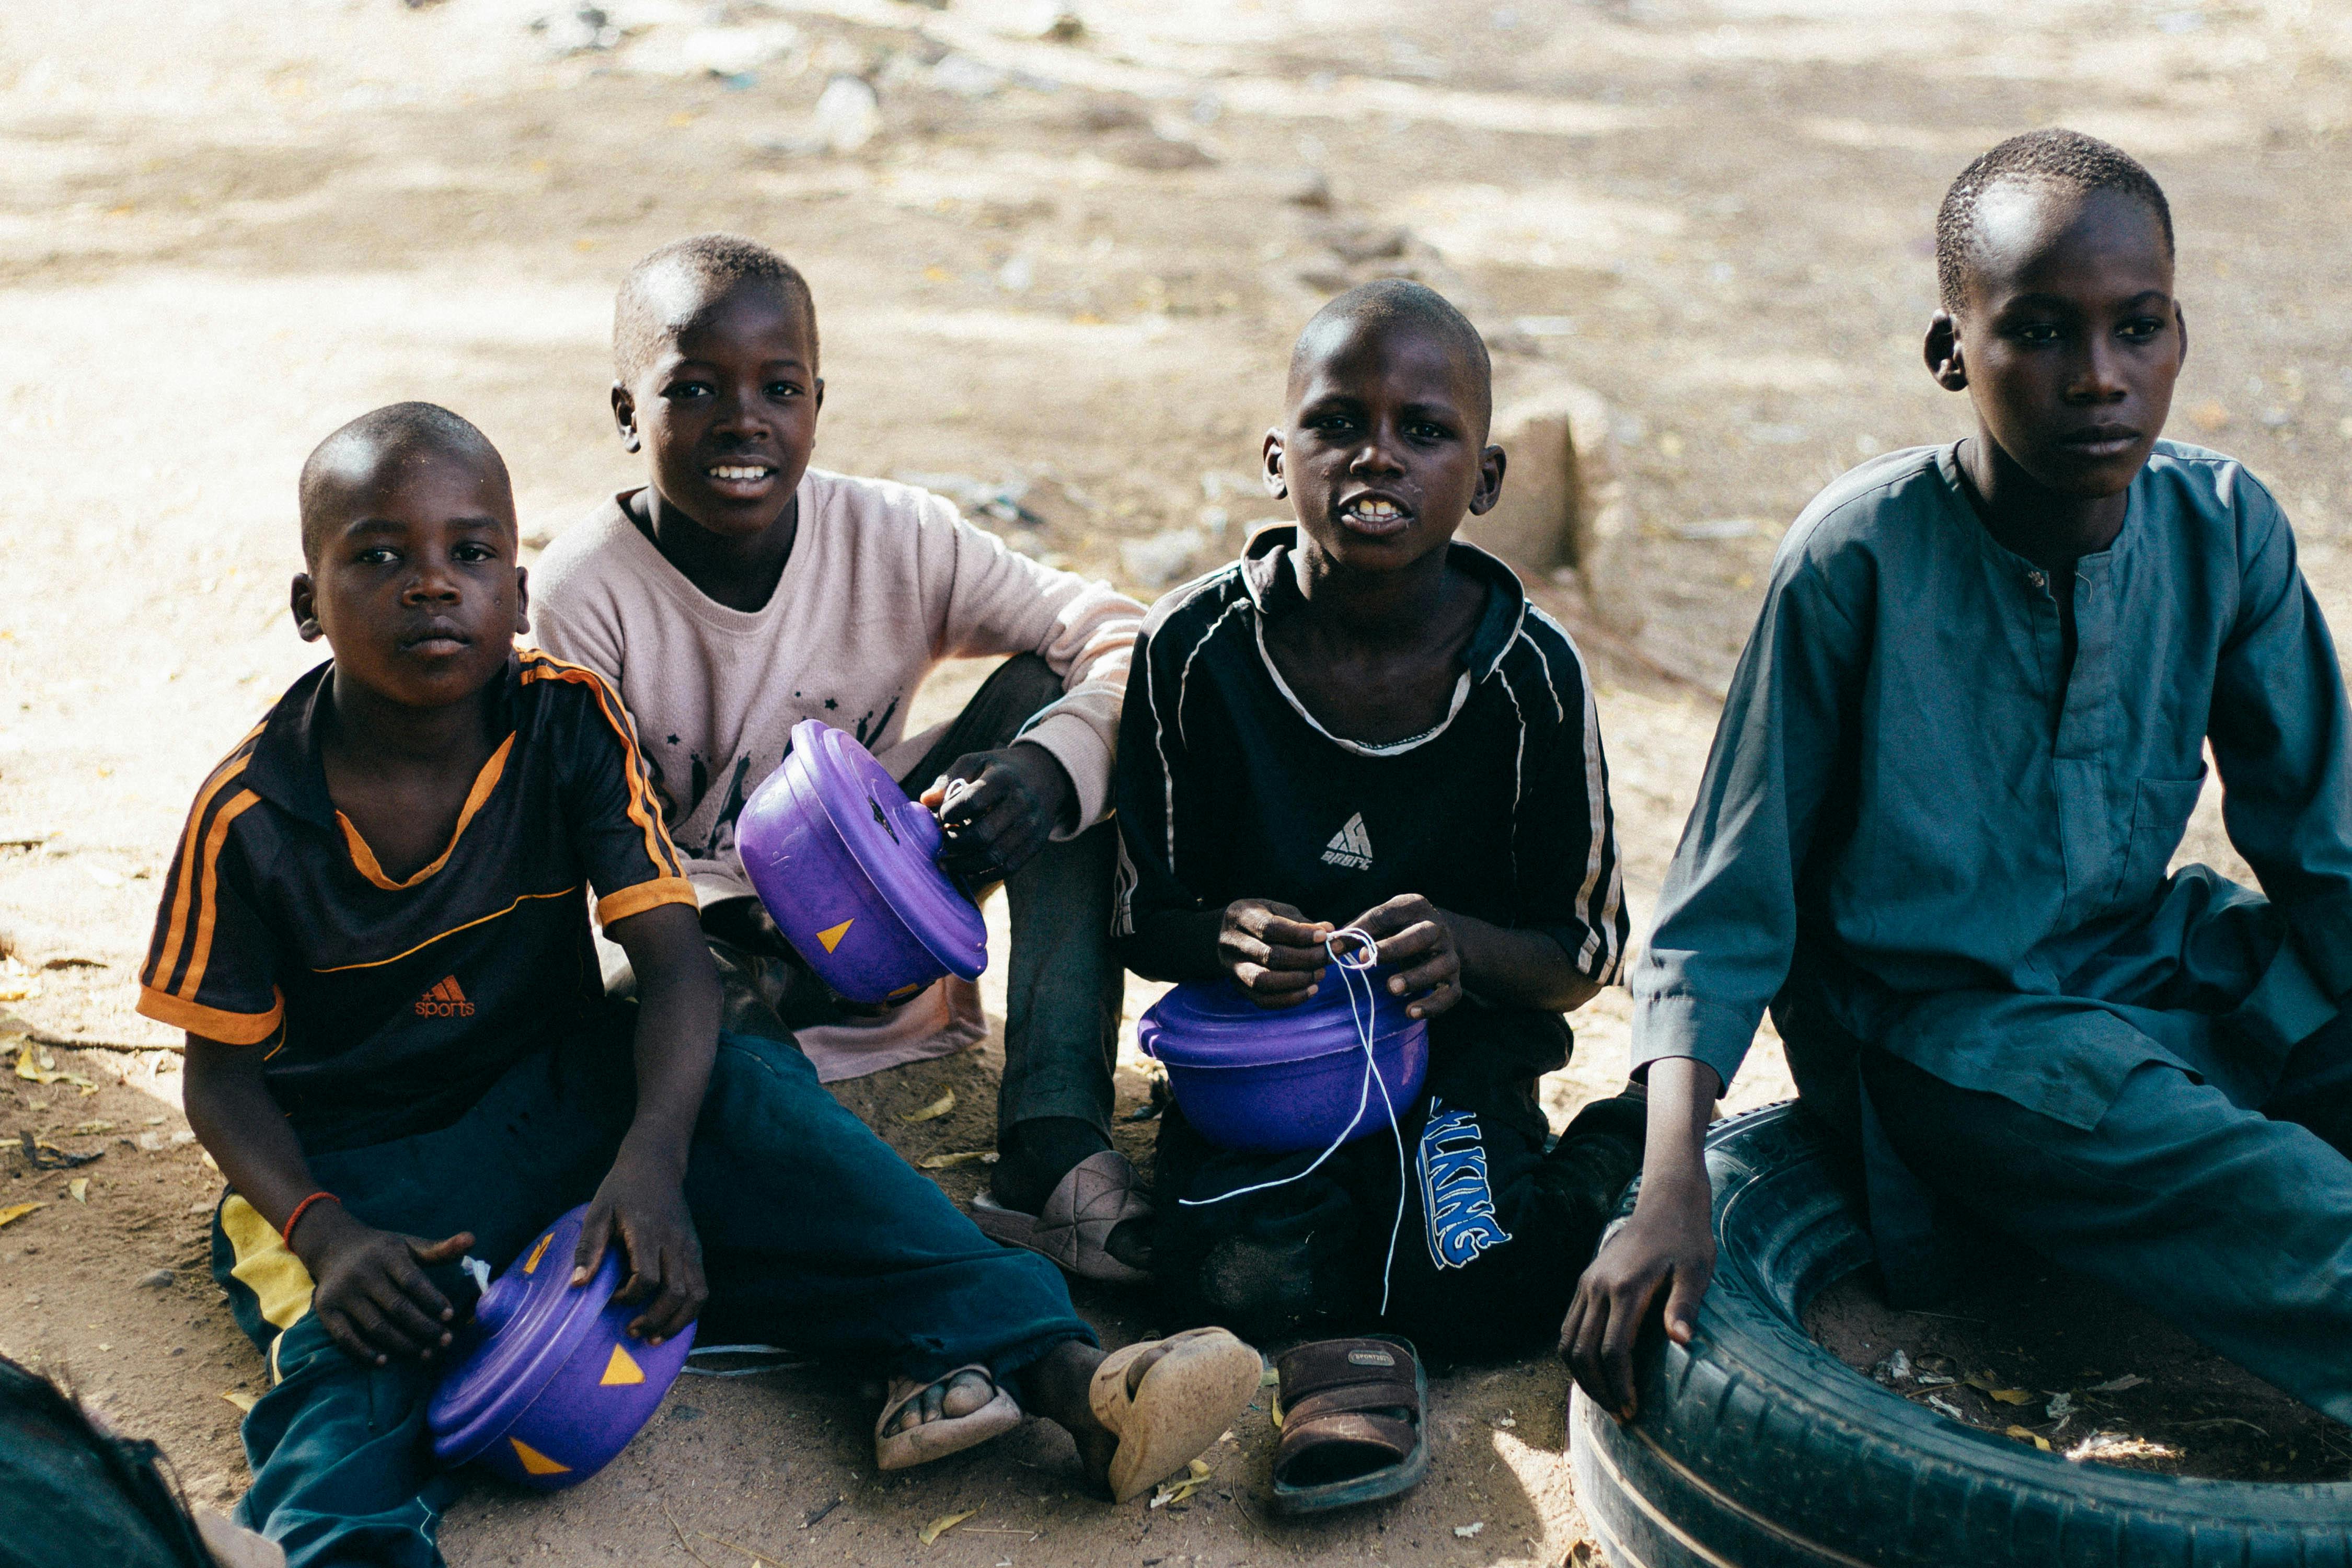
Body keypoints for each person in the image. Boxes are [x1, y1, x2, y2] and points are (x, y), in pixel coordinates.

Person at [136, 404, 1259, 1568]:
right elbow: (219, 1082)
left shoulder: (563, 717)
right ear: (308, 604)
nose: (431, 586)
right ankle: (336, 1547)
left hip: (560, 1093)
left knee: (760, 1117)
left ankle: (1075, 1383)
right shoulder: (251, 815)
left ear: (515, 597)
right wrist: (326, 1237)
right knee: (355, 1381)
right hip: (361, 1168)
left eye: (468, 554)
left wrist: (652, 1160)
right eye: (379, 557)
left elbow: (676, 965)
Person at [1569, 129, 2352, 1430]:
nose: (2097, 377)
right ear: (1951, 352)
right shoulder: (1857, 559)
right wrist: (1669, 1188)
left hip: (2149, 964)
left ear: (2178, 337)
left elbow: (2327, 852)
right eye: (2038, 332)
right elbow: (1722, 913)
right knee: (2280, 1201)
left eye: (2137, 327)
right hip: (1948, 1037)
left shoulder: (2224, 526)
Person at [530, 235, 1152, 1282]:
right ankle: (807, 1172)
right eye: (694, 388)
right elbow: (583, 847)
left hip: (892, 897)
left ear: (817, 403)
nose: (744, 420)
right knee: (642, 1007)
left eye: (779, 388)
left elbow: (1124, 637)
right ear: (629, 414)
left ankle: (1052, 1141)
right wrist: (745, 921)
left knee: (1066, 717)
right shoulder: (585, 593)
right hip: (713, 951)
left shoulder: (894, 535)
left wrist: (1045, 776)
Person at [1112, 280, 1646, 1363]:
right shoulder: (1195, 651)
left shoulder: (1530, 677)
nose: (1378, 457)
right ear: (1278, 458)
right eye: (1338, 423)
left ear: (1485, 479)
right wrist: (1225, 936)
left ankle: (1630, 1139)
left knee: (1479, 1287)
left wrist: (1463, 949)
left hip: (1457, 1048)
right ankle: (1359, 1219)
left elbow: (1584, 952)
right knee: (1239, 1288)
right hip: (1270, 1065)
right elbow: (1142, 920)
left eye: (1426, 432)